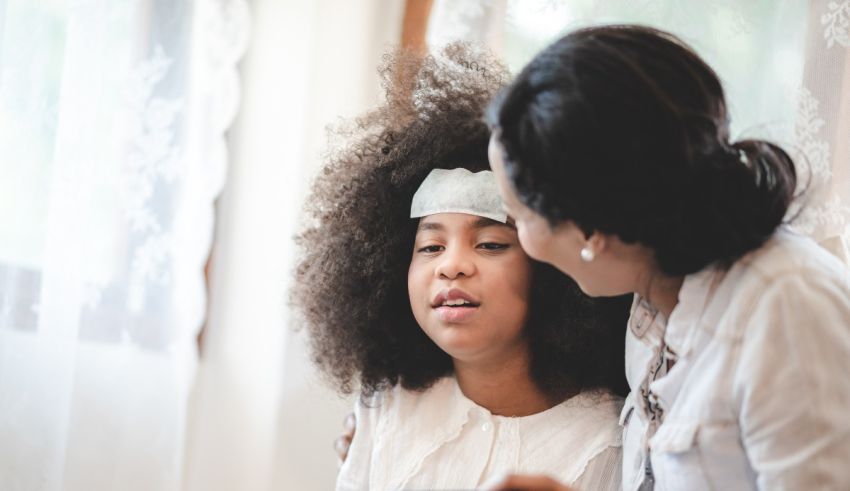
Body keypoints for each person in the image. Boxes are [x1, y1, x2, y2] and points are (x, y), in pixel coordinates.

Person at [484, 25, 850, 490]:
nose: (519, 237)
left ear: (590, 230)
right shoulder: (653, 304)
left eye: (517, 215)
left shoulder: (789, 310)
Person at [293, 44, 633, 490]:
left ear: (551, 268)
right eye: (431, 247)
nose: (452, 265)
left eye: (490, 243)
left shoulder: (609, 442)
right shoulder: (386, 407)